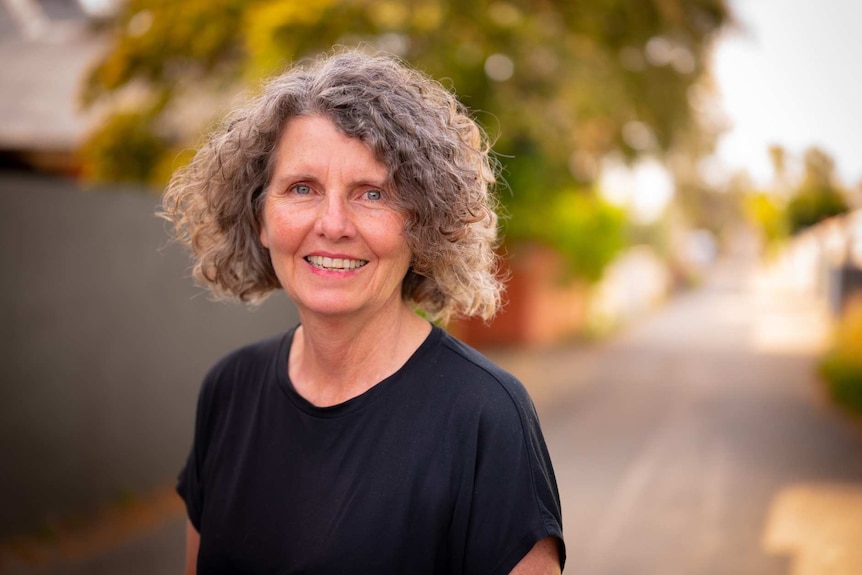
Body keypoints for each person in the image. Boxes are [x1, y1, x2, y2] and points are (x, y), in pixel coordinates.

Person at [162, 48, 565, 575]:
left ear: (424, 225)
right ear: (259, 216)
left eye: (372, 193)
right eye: (301, 188)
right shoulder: (229, 389)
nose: (333, 224)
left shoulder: (486, 417)